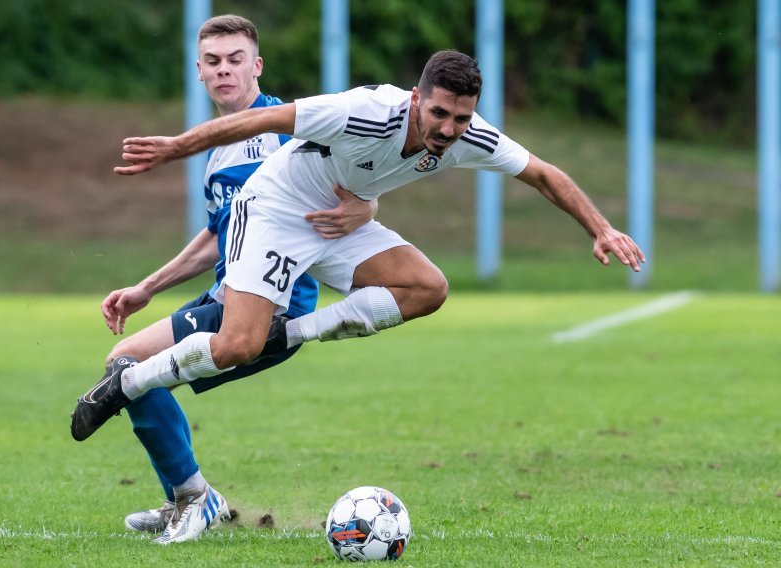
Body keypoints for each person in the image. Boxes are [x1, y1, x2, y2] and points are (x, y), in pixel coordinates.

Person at [75, 48, 645, 477]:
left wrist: (601, 229)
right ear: (417, 98)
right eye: (440, 113)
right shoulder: (362, 110)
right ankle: (127, 385)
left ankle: (290, 333)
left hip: (341, 222)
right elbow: (260, 121)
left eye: (461, 119)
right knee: (234, 347)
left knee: (426, 288)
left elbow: (544, 173)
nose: (448, 131)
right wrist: (178, 146)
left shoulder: (470, 136)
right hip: (276, 210)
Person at [70, 15, 377, 545]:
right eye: (213, 62)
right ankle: (184, 499)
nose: (224, 70)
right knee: (130, 367)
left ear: (257, 66)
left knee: (129, 367)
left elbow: (359, 167)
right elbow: (218, 235)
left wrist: (367, 206)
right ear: (200, 72)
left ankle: (192, 497)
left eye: (236, 59)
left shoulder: (282, 128)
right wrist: (148, 287)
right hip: (225, 295)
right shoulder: (221, 150)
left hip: (273, 307)